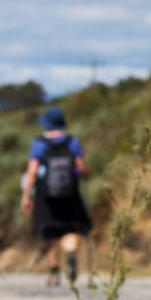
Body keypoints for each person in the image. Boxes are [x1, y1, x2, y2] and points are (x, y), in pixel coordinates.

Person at [21, 106, 92, 288]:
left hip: (45, 195)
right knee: (69, 228)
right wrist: (80, 173)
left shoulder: (39, 144)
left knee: (50, 231)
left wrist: (26, 195)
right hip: (70, 193)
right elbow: (82, 168)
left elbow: (32, 172)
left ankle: (54, 272)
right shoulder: (72, 142)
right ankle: (70, 254)